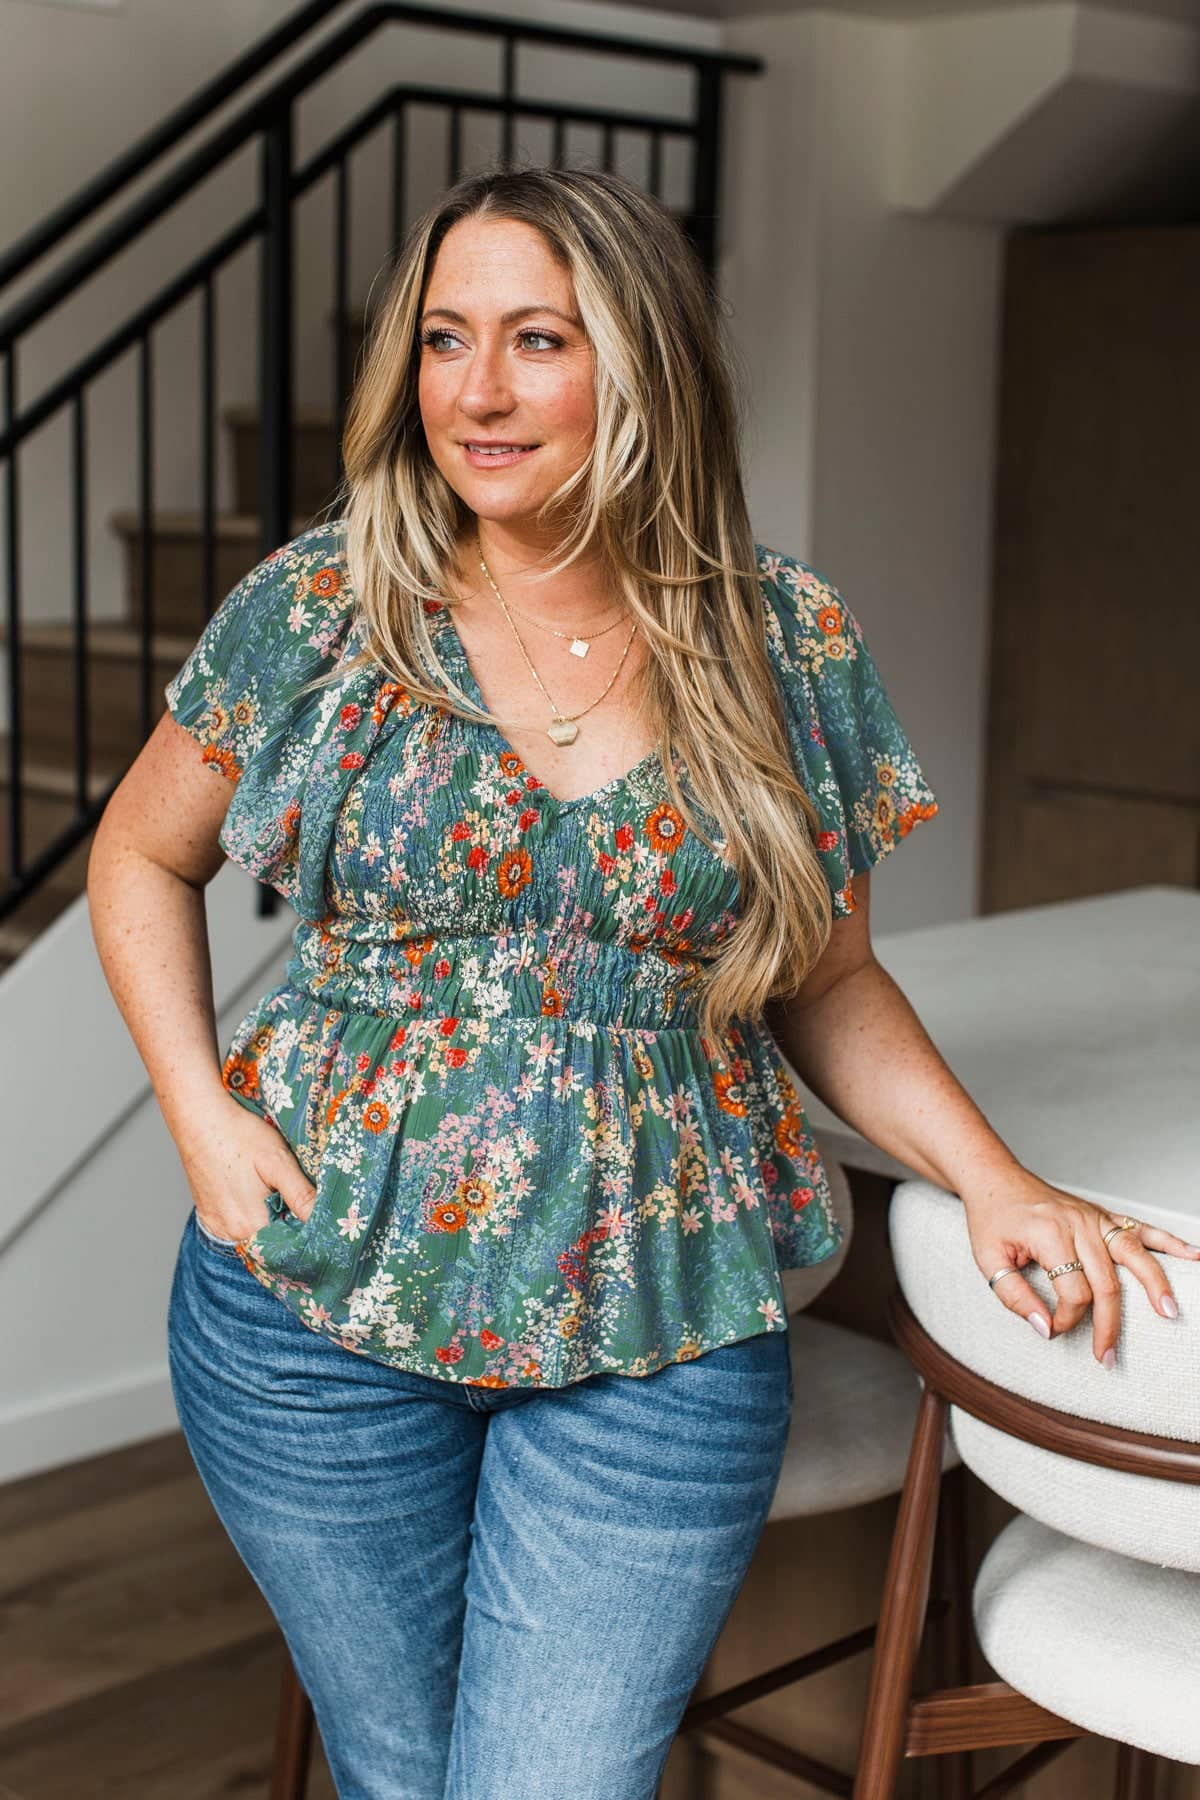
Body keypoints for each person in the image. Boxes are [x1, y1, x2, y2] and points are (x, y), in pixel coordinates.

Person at [86, 166, 1199, 1800]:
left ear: (643, 364)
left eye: (538, 340)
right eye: (445, 339)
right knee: (396, 1768)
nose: (476, 391)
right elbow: (137, 852)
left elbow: (829, 980)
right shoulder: (324, 606)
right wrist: (198, 1115)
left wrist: (993, 1177)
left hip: (659, 1316)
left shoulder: (785, 642)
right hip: (311, 1303)